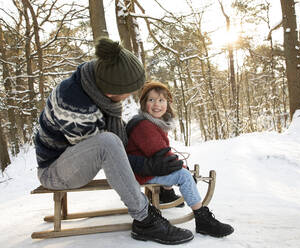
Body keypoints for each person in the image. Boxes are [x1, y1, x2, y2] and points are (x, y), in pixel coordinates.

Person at [34, 38, 194, 245]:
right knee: (107, 142)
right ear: (111, 91)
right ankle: (145, 220)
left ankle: (162, 193)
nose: (131, 95)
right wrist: (147, 166)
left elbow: (118, 148)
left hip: (69, 160)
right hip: (54, 173)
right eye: (128, 92)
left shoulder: (94, 82)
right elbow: (107, 154)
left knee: (113, 139)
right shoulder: (74, 101)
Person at [126, 81, 235, 238]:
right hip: (141, 171)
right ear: (144, 104)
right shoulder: (144, 125)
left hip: (148, 167)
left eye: (161, 100)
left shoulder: (152, 122)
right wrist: (183, 169)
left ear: (167, 104)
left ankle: (166, 193)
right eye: (151, 100)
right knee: (183, 175)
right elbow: (161, 154)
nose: (156, 104)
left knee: (175, 166)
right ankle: (203, 219)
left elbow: (161, 156)